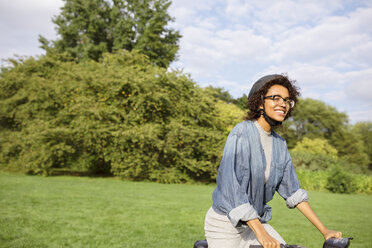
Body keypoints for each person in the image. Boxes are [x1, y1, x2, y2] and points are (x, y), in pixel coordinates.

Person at [204, 74, 342, 248]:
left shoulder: (280, 144)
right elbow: (231, 189)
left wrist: (325, 231)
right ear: (260, 102)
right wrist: (261, 233)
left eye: (287, 100)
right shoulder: (242, 133)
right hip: (225, 224)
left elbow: (293, 193)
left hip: (255, 223)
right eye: (276, 98)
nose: (283, 104)